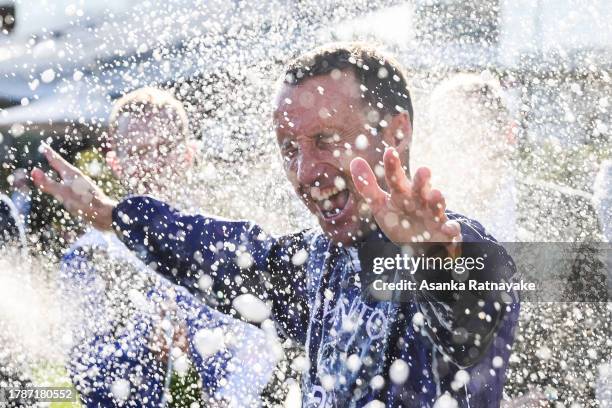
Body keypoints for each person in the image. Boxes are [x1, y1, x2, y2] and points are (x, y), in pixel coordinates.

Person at [33, 43, 520, 407]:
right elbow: (222, 253)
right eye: (290, 149)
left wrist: (433, 260)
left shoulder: (470, 249)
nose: (306, 172)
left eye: (326, 139)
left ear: (395, 132)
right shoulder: (318, 264)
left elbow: (467, 329)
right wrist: (112, 214)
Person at [57, 88, 276, 407]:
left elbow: (268, 342)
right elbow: (86, 375)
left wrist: (221, 375)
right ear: (116, 164)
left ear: (188, 154)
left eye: (164, 148)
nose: (153, 163)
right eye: (139, 150)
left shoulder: (222, 238)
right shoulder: (89, 257)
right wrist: (145, 342)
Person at [414, 73, 518, 242]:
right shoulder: (426, 213)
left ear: (508, 134)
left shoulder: (542, 209)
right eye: (442, 131)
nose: (446, 147)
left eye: (467, 134)